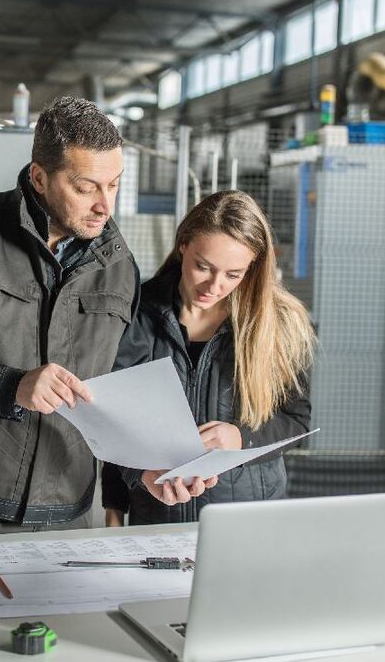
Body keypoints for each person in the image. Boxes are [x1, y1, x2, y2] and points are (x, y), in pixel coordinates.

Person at [0, 97, 200, 538]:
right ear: (40, 177)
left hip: (65, 513)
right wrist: (10, 386)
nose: (105, 206)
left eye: (114, 185)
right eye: (87, 187)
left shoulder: (118, 265)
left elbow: (118, 391)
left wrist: (143, 469)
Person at [102, 190, 315, 526]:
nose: (214, 286)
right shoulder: (136, 313)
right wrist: (128, 488)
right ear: (183, 243)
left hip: (246, 523)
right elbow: (114, 420)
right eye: (203, 267)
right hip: (157, 517)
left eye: (233, 274)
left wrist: (241, 439)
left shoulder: (279, 322)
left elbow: (296, 419)